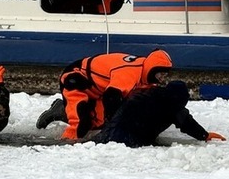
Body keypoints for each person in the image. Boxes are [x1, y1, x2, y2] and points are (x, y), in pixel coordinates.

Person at [36, 49, 173, 140]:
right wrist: (114, 123)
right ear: (152, 69)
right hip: (78, 79)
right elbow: (111, 97)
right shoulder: (131, 72)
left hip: (99, 88)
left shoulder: (147, 77)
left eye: (164, 75)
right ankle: (64, 146)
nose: (162, 79)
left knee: (97, 123)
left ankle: (62, 110)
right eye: (160, 74)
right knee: (81, 125)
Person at [92, 80, 226, 147]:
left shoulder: (150, 93)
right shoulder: (173, 104)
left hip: (110, 130)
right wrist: (205, 135)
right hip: (130, 139)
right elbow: (187, 123)